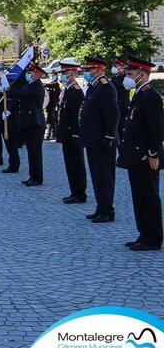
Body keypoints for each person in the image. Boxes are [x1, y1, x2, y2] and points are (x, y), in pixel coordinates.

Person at [117, 56, 163, 251]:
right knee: (139, 196)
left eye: (130, 74)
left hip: (145, 156)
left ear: (142, 75)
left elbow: (157, 129)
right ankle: (144, 233)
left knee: (148, 196)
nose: (126, 77)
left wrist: (153, 153)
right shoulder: (140, 93)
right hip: (136, 155)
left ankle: (152, 238)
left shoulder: (150, 95)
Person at [79, 56, 120, 224]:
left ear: (99, 70)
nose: (86, 73)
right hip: (93, 139)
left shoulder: (105, 87)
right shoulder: (94, 86)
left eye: (88, 70)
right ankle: (100, 207)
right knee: (97, 175)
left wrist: (109, 136)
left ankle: (107, 210)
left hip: (102, 139)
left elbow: (113, 114)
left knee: (104, 176)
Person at [8, 64, 47, 185]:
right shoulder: (30, 84)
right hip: (29, 122)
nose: (28, 75)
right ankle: (33, 176)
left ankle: (37, 178)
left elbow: (22, 93)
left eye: (31, 73)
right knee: (31, 152)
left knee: (35, 152)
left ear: (37, 75)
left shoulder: (36, 85)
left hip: (35, 123)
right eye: (28, 72)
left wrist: (9, 88)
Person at [57, 59, 87, 203]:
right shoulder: (68, 90)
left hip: (73, 134)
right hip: (67, 133)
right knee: (70, 164)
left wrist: (75, 134)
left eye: (64, 73)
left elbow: (77, 116)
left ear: (71, 74)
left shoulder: (75, 92)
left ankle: (80, 193)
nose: (61, 76)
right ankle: (74, 191)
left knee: (76, 164)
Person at [111, 58, 130, 153]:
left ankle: (123, 153)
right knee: (117, 131)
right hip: (118, 107)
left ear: (122, 67)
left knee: (121, 132)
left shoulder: (123, 78)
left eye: (116, 66)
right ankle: (121, 153)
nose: (114, 68)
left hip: (122, 108)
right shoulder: (117, 77)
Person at [44, 74, 61, 140]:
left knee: (53, 119)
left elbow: (49, 85)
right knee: (51, 118)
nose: (51, 77)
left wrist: (42, 83)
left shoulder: (55, 84)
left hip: (54, 104)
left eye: (53, 75)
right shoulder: (53, 84)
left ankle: (53, 133)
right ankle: (51, 134)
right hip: (50, 104)